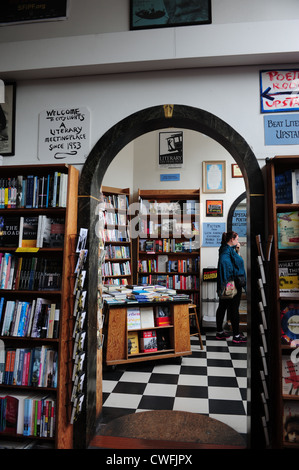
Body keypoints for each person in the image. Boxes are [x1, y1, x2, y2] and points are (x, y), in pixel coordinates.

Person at [215, 231, 247, 343]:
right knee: (234, 310)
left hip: (224, 284)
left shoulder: (226, 249)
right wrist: (233, 275)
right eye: (237, 239)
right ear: (232, 240)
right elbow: (226, 264)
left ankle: (219, 332)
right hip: (232, 285)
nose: (238, 242)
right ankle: (237, 336)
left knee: (222, 307)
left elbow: (231, 262)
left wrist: (237, 250)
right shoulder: (226, 251)